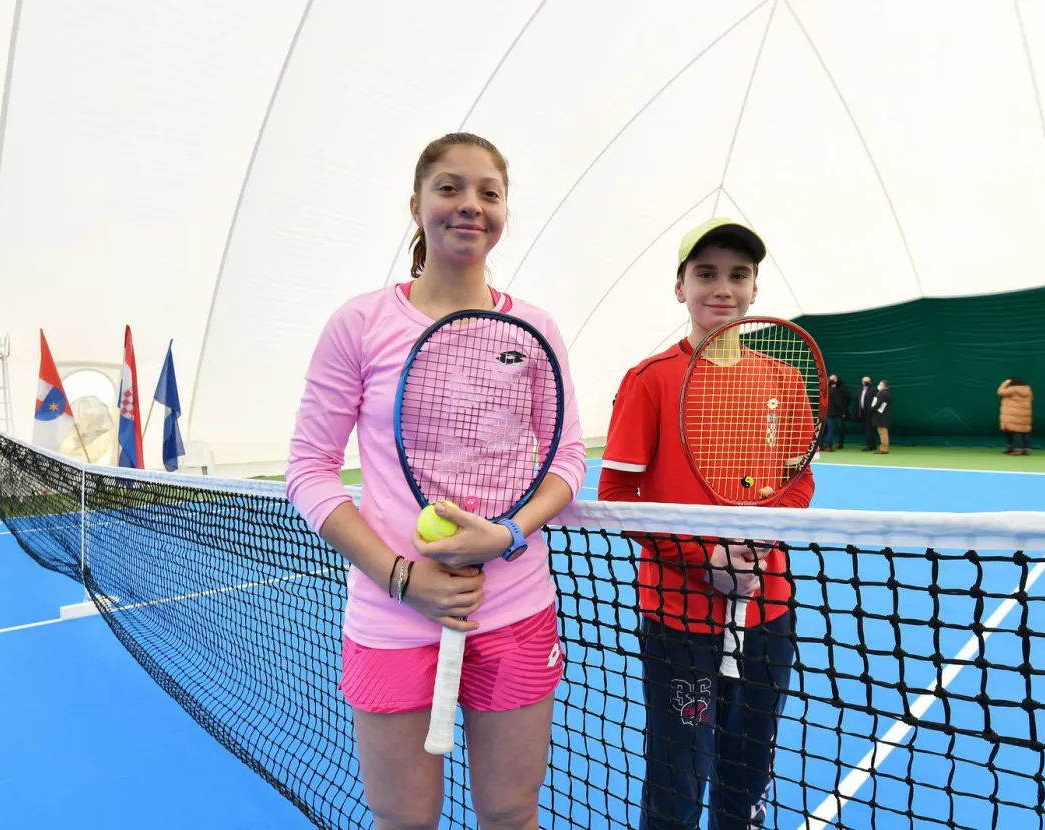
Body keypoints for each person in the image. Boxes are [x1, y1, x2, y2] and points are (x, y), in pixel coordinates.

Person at [285, 132, 587, 830]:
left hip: (515, 612)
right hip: (391, 619)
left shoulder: (536, 328)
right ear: (416, 205)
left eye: (489, 192)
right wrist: (403, 580)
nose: (469, 205)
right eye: (449, 187)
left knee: (511, 814)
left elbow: (567, 458)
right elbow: (308, 469)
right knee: (403, 821)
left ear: (505, 210)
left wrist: (508, 532)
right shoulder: (359, 325)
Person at [598, 218, 813, 829]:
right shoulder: (649, 380)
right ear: (680, 288)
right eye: (706, 273)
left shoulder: (784, 379)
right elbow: (616, 493)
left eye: (738, 274)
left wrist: (765, 538)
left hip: (769, 614)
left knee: (746, 773)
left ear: (754, 289)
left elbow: (799, 480)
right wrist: (706, 560)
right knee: (678, 774)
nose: (723, 288)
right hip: (679, 622)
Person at [998, 377, 1033, 455]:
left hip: (1013, 415)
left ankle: (1017, 449)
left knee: (1014, 432)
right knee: (1023, 432)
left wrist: (1004, 383)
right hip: (1024, 415)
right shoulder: (1028, 390)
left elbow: (1000, 392)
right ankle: (1026, 449)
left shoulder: (1013, 389)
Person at [822, 374, 851, 451]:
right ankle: (829, 446)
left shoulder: (823, 390)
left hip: (825, 413)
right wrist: (843, 412)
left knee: (823, 431)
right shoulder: (833, 391)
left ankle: (821, 446)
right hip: (832, 414)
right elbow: (839, 403)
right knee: (830, 431)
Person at [855, 376, 877, 450]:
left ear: (870, 382)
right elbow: (857, 401)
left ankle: (870, 445)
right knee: (866, 429)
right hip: (862, 412)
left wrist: (872, 410)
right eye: (864, 381)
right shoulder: (859, 389)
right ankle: (871, 444)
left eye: (867, 381)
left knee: (869, 429)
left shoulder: (873, 390)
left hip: (870, 412)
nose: (865, 383)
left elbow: (875, 402)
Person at [872, 379, 891, 453]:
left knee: (883, 432)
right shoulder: (887, 393)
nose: (879, 385)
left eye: (880, 384)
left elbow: (878, 404)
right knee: (883, 431)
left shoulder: (882, 393)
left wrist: (872, 409)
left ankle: (884, 449)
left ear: (884, 386)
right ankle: (883, 448)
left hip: (881, 415)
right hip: (883, 415)